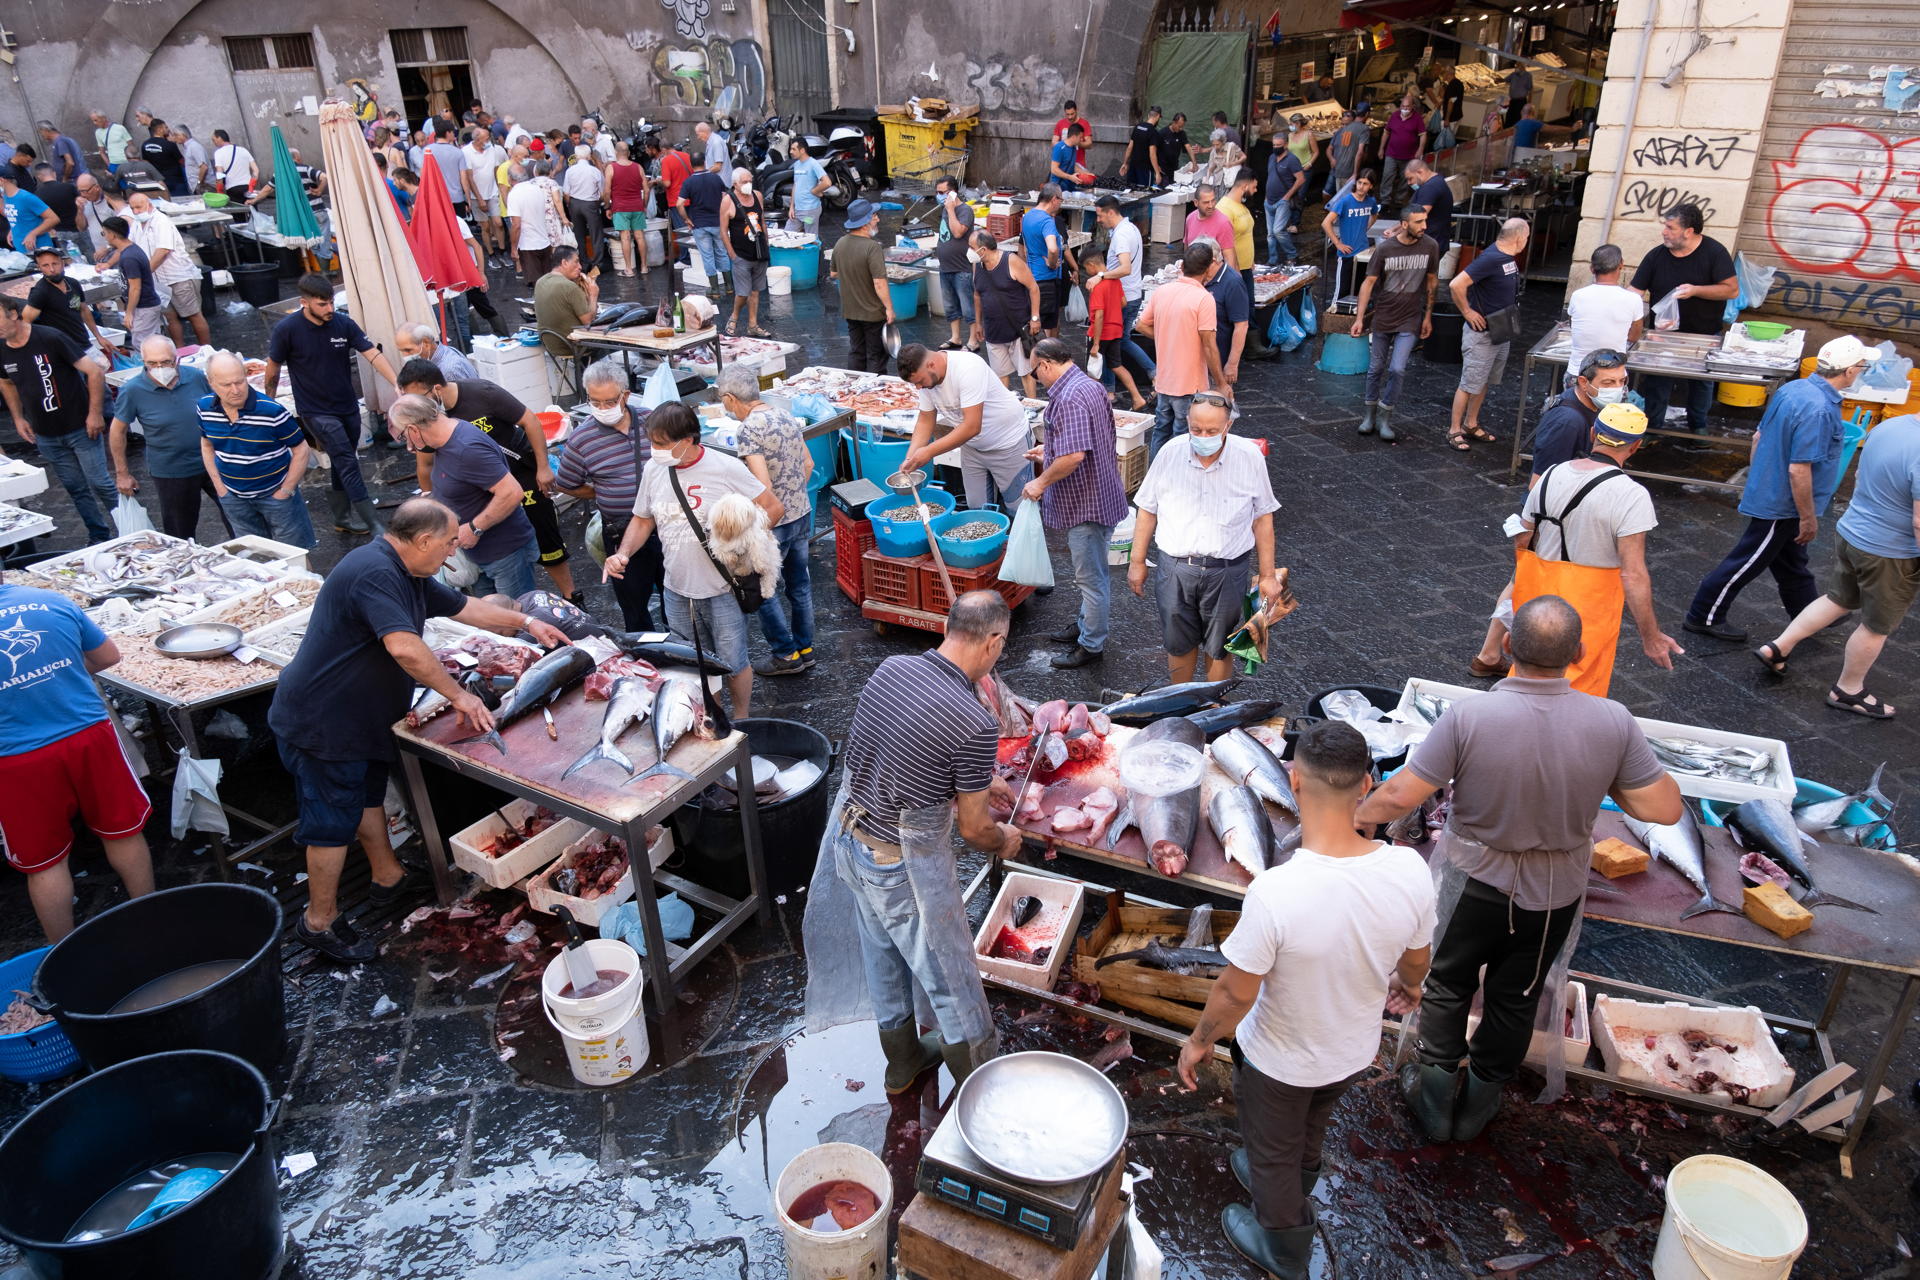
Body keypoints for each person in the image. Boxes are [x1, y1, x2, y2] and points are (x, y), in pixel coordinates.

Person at [1360, 596, 1682, 1144]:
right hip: (1553, 897)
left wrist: (1357, 820)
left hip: (1469, 886)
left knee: (1447, 983)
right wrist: (1604, 775)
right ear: (1579, 653)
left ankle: (1435, 1101)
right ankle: (1480, 1106)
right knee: (1516, 997)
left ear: (1507, 645)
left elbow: (1400, 794)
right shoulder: (1613, 721)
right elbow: (1664, 809)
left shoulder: (1470, 715)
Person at [1178, 720, 1434, 1278]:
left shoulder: (1277, 891)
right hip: (1351, 1054)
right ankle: (1296, 1179)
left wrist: (1199, 1041)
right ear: (1366, 784)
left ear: (1294, 783)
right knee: (1311, 1126)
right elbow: (1417, 961)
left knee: (1270, 1148)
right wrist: (1408, 987)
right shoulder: (1410, 869)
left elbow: (1234, 991)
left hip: (1279, 1060)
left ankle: (1284, 1245)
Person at [270, 498, 570, 959]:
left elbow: (466, 608)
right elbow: (405, 649)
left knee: (367, 797)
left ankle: (387, 875)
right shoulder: (375, 572)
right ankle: (319, 922)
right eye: (449, 543)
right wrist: (460, 695)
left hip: (361, 720)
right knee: (329, 824)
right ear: (423, 540)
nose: (453, 554)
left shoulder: (408, 571)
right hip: (324, 722)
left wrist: (527, 621)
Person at [824, 590, 1025, 1091]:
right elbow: (975, 831)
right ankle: (981, 1089)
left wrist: (977, 782)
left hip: (849, 842)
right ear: (994, 642)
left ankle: (902, 1063)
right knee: (950, 978)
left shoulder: (892, 669)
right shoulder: (974, 720)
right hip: (899, 865)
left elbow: (903, 756)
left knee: (883, 956)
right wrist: (1006, 840)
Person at [0, 572, 156, 943]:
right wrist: (61, 676)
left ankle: (62, 953)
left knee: (45, 862)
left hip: (17, 759)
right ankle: (153, 918)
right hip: (90, 737)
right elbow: (108, 656)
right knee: (122, 831)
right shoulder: (52, 601)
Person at [1686, 336, 1871, 641]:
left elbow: (1759, 438)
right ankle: (1703, 615)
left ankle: (1807, 612)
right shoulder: (1821, 410)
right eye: (1861, 366)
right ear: (1849, 371)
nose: (1861, 371)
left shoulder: (1793, 389)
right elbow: (1799, 470)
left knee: (1792, 561)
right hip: (1784, 503)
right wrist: (1808, 517)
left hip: (1773, 493)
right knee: (1748, 560)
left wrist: (1758, 479)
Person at [604, 402, 782, 718]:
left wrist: (742, 538)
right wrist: (623, 553)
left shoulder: (725, 468)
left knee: (733, 661)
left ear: (687, 439)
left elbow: (772, 508)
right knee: (694, 662)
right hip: (675, 589)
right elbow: (643, 520)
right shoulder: (654, 469)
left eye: (661, 443)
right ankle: (711, 717)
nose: (654, 450)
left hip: (723, 587)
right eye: (652, 443)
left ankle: (742, 721)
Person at [1754, 411, 1920, 718]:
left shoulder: (1889, 427)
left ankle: (1778, 647)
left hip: (1852, 532)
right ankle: (1849, 689)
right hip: (1890, 552)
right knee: (1876, 626)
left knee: (1838, 599)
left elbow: (1859, 476)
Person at [1511, 404, 1684, 696]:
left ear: (1593, 433)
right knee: (1578, 690)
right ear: (1636, 446)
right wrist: (1650, 636)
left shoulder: (1552, 474)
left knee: (1526, 678)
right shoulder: (1631, 496)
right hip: (1590, 610)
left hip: (1538, 601)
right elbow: (1633, 574)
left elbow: (1523, 537)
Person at [1129, 395, 1282, 683]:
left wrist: (1267, 575)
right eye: (1196, 430)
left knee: (1220, 647)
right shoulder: (1170, 452)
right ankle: (1181, 705)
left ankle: (1215, 708)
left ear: (1228, 426)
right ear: (1187, 422)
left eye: (1212, 431)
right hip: (1175, 567)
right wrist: (1137, 561)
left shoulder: (1249, 457)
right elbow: (1148, 509)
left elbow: (1263, 517)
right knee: (1177, 643)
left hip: (1227, 570)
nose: (1203, 437)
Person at [398, 360, 575, 602]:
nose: (417, 407)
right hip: (478, 499)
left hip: (521, 473)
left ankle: (571, 596)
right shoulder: (430, 423)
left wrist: (543, 467)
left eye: (420, 398)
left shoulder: (482, 394)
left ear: (436, 390)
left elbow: (530, 421)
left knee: (545, 538)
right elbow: (425, 465)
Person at [263, 272, 398, 536]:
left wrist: (396, 382)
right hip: (315, 411)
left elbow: (371, 353)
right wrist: (268, 404)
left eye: (331, 303)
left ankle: (342, 517)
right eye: (322, 304)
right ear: (305, 302)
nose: (329, 309)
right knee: (348, 461)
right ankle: (374, 525)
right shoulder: (287, 329)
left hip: (346, 406)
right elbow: (272, 369)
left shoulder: (343, 324)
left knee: (341, 460)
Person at [1023, 338, 1129, 668]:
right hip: (1102, 492)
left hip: (1087, 502)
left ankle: (1091, 644)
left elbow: (1074, 456)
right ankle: (1085, 625)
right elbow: (1086, 441)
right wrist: (1048, 451)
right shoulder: (1089, 385)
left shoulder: (1068, 398)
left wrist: (1040, 481)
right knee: (1092, 572)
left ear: (1045, 364)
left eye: (1034, 370)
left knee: (1091, 578)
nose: (1035, 378)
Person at [717, 365, 816, 676]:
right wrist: (795, 495)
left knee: (763, 588)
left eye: (722, 400)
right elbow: (808, 463)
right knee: (800, 586)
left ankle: (785, 654)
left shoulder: (748, 430)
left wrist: (761, 520)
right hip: (801, 512)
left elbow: (763, 487)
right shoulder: (786, 415)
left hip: (773, 522)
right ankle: (806, 648)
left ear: (731, 399)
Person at [557, 360, 665, 630]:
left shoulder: (651, 421)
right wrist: (600, 492)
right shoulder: (581, 440)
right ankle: (648, 661)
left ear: (625, 396)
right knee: (634, 605)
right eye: (595, 402)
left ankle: (686, 650)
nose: (602, 409)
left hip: (666, 524)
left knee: (677, 597)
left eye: (609, 402)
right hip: (620, 528)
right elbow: (567, 483)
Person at [0, 296, 112, 542]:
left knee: (100, 483)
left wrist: (95, 414)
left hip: (81, 427)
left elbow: (94, 372)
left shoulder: (50, 337)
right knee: (76, 488)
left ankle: (130, 527)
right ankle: (99, 536)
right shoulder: (1, 349)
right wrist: (18, 418)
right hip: (46, 435)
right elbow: (6, 382)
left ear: (13, 314)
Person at [1631, 203, 1737, 433]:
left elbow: (1731, 290)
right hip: (1662, 336)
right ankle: (1652, 428)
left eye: (1670, 227)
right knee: (1658, 382)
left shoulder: (1715, 253)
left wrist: (1696, 290)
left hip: (1703, 334)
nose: (1664, 232)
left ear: (1689, 231)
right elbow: (1634, 292)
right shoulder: (1656, 256)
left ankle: (1698, 427)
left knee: (1701, 384)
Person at [109, 337, 226, 541]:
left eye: (165, 362)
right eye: (152, 363)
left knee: (236, 515)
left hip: (213, 463)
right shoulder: (133, 390)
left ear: (176, 359)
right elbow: (117, 431)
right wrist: (122, 474)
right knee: (180, 532)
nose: (159, 368)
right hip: (171, 471)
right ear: (143, 362)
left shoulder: (196, 377)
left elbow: (219, 409)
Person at [196, 351, 315, 549]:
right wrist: (220, 488)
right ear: (211, 383)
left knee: (295, 555)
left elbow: (301, 450)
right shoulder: (204, 408)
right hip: (234, 498)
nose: (235, 390)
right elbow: (206, 445)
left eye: (240, 381)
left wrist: (285, 491)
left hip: (276, 496)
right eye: (226, 385)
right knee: (255, 555)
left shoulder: (271, 411)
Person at [898, 343, 1034, 512]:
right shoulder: (927, 380)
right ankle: (995, 539)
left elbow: (972, 426)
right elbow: (925, 420)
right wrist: (911, 457)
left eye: (919, 382)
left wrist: (928, 452)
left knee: (1020, 509)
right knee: (978, 512)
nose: (918, 388)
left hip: (1008, 442)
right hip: (972, 448)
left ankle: (1018, 538)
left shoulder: (968, 368)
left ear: (931, 364)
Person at [1350, 205, 1440, 443]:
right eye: (1419, 222)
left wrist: (1428, 316)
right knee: (1375, 368)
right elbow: (1368, 283)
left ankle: (1385, 416)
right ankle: (1369, 415)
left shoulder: (1430, 246)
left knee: (1397, 368)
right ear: (1404, 224)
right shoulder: (1386, 249)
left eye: (1425, 221)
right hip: (1384, 315)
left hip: (1410, 317)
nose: (1424, 226)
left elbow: (1432, 281)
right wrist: (1359, 318)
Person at [1135, 241, 1229, 458]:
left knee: (1161, 430)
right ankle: (1177, 479)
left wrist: (1165, 335)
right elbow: (1209, 344)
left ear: (1183, 266)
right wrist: (1221, 383)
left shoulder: (1163, 291)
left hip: (1165, 379)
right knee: (1182, 434)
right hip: (1189, 382)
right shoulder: (1204, 299)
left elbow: (1141, 325)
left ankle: (1154, 477)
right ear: (1207, 270)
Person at [1447, 217, 1530, 451]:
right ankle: (1455, 430)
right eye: (1526, 237)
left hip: (1500, 330)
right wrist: (1467, 312)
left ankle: (1471, 423)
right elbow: (1456, 284)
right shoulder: (1492, 258)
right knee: (1469, 382)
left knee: (1483, 380)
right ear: (1519, 238)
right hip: (1482, 334)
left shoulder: (1506, 258)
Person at [1087, 194, 1155, 395]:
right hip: (1129, 294)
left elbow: (1125, 268)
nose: (1098, 220)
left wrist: (1101, 275)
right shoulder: (1130, 228)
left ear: (1110, 212)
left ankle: (1151, 373)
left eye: (1100, 215)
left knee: (1113, 342)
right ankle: (1111, 390)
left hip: (1125, 296)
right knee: (1117, 341)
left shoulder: (1122, 235)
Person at [124, 192, 210, 348]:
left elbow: (163, 251)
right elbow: (129, 245)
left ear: (149, 205)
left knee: (193, 315)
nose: (136, 211)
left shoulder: (161, 221)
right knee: (169, 317)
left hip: (179, 277)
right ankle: (178, 351)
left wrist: (144, 274)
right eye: (132, 208)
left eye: (139, 207)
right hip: (158, 282)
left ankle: (207, 349)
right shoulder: (136, 224)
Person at [1530, 348, 1629, 477]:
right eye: (1608, 382)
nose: (1617, 388)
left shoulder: (1595, 403)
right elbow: (1539, 481)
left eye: (1622, 381)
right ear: (1583, 382)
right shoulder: (1566, 422)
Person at [969, 229, 1041, 395]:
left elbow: (1033, 288)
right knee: (1000, 375)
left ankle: (1033, 406)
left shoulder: (1011, 261)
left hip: (1017, 329)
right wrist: (978, 323)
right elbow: (977, 294)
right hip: (993, 331)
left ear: (983, 249)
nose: (969, 251)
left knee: (1027, 372)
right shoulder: (976, 264)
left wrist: (1035, 317)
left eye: (971, 247)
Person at [1565, 244, 1645, 387]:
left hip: (1577, 374)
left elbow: (1573, 325)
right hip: (1613, 378)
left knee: (1573, 409)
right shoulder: (1633, 299)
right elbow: (1634, 336)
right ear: (1621, 264)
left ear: (1592, 268)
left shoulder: (1577, 296)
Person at [22, 246, 118, 361]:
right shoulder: (40, 292)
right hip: (61, 349)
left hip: (83, 342)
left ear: (62, 263)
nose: (52, 269)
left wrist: (99, 337)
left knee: (102, 369)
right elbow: (25, 322)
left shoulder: (73, 283)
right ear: (39, 268)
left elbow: (84, 310)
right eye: (45, 266)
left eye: (55, 264)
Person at [831, 199, 893, 374]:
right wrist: (889, 308)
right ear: (865, 223)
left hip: (851, 310)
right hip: (873, 313)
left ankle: (854, 390)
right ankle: (875, 392)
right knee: (876, 355)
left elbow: (834, 273)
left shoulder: (840, 243)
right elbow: (879, 283)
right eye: (874, 216)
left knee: (857, 351)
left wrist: (852, 270)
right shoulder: (872, 247)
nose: (878, 219)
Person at [1081, 244, 1145, 408]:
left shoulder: (1097, 286)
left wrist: (1095, 343)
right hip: (1116, 331)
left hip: (1100, 334)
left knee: (1093, 369)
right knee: (1116, 365)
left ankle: (1091, 404)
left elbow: (1099, 314)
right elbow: (1123, 302)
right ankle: (1137, 397)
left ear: (1091, 265)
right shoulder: (1115, 280)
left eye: (1085, 268)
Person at [95, 215, 165, 349]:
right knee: (148, 342)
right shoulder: (129, 250)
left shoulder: (129, 257)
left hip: (144, 308)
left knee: (143, 346)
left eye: (104, 233)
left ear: (112, 234)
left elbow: (135, 288)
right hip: (145, 306)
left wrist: (129, 313)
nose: (104, 237)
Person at [719, 168, 772, 336]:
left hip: (759, 252)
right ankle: (734, 317)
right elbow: (723, 230)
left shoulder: (757, 195)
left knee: (756, 291)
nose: (748, 184)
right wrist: (732, 254)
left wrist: (766, 242)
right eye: (744, 182)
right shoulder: (728, 201)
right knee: (743, 293)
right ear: (735, 184)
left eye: (750, 181)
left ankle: (752, 325)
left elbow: (762, 220)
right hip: (740, 254)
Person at [932, 175, 977, 351]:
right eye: (937, 192)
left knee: (968, 307)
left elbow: (958, 233)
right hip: (946, 266)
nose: (939, 196)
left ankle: (973, 339)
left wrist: (951, 210)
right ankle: (956, 337)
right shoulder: (945, 209)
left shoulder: (965, 211)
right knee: (950, 306)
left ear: (953, 193)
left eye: (942, 192)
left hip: (962, 267)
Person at [1201, 236, 1251, 395]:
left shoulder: (1232, 282)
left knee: (1217, 409)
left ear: (1214, 260)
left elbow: (1241, 325)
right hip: (1199, 360)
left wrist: (1232, 364)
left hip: (1218, 360)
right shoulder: (1200, 277)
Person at [533, 245, 598, 363]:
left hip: (551, 344)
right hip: (572, 346)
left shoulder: (540, 281)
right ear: (564, 262)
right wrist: (593, 295)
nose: (580, 267)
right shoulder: (570, 287)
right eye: (576, 262)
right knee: (615, 343)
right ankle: (594, 378)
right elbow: (588, 321)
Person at [1021, 185, 1071, 338]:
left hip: (1033, 277)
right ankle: (1045, 358)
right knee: (1045, 326)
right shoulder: (1047, 221)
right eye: (1061, 199)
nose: (1061, 203)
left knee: (1034, 324)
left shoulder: (1027, 217)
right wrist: (1052, 262)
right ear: (1054, 199)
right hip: (1047, 281)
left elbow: (1023, 246)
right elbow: (1053, 248)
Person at [1320, 169, 1379, 299]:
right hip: (1347, 252)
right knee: (1342, 291)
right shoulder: (1345, 201)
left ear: (1371, 186)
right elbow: (1326, 223)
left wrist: (1364, 228)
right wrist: (1337, 243)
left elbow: (1374, 215)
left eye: (1365, 184)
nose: (1361, 186)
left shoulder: (1371, 201)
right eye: (1359, 182)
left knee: (1358, 289)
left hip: (1363, 251)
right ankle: (1335, 316)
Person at [506, 161, 564, 285]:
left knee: (537, 285)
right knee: (548, 281)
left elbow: (516, 225)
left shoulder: (514, 194)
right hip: (544, 241)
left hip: (528, 245)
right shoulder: (536, 189)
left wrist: (513, 248)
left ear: (510, 179)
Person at [677, 160, 731, 287]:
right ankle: (729, 286)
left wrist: (686, 219)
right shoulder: (716, 178)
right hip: (718, 223)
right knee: (722, 253)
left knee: (707, 256)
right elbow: (725, 197)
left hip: (699, 224)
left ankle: (714, 289)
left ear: (691, 165)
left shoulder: (688, 182)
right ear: (705, 163)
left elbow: (679, 203)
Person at [464, 129, 509, 265]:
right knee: (485, 227)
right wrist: (479, 199)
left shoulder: (491, 150)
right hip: (476, 196)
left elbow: (496, 170)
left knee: (498, 223)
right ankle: (491, 254)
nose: (489, 140)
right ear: (477, 140)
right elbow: (470, 178)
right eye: (486, 138)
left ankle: (502, 252)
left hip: (493, 191)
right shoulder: (466, 152)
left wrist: (500, 189)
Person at [607, 141, 650, 276]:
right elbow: (647, 190)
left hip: (620, 207)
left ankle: (629, 269)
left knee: (625, 237)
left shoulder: (611, 168)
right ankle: (644, 267)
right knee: (640, 236)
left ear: (616, 153)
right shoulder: (638, 167)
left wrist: (608, 206)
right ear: (629, 153)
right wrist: (644, 205)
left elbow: (606, 191)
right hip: (637, 206)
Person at [651, 137, 695, 266]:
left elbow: (667, 182)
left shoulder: (666, 160)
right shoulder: (686, 156)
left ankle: (685, 259)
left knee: (681, 229)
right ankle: (694, 257)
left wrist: (657, 181)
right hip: (690, 197)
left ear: (664, 149)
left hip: (676, 199)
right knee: (692, 227)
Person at [1265, 133, 1307, 266]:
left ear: (1286, 145)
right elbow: (1270, 176)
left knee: (1278, 231)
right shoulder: (1271, 157)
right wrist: (1266, 196)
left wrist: (1287, 196)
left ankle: (1292, 255)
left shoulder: (1292, 159)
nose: (1276, 147)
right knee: (1270, 234)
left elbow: (1301, 179)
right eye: (1274, 145)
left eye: (1279, 145)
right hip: (1269, 201)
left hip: (1282, 201)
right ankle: (1272, 259)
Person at [1402, 157, 1455, 259]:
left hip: (1429, 243)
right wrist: (1394, 229)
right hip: (1432, 242)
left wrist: (1398, 235)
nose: (1409, 183)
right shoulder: (1434, 182)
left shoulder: (1431, 187)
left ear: (1420, 172)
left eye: (1410, 178)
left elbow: (1416, 217)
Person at [561, 150, 606, 267]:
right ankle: (597, 263)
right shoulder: (594, 171)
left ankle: (583, 262)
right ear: (589, 156)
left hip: (574, 203)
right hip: (590, 203)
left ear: (576, 156)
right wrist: (599, 202)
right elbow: (602, 192)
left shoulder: (570, 171)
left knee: (579, 234)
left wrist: (569, 204)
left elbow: (566, 192)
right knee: (595, 233)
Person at [1219, 173, 1260, 299]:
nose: (1255, 191)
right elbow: (1225, 243)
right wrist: (1235, 272)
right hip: (1236, 271)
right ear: (1244, 187)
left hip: (1246, 268)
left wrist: (1250, 260)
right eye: (1253, 187)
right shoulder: (1224, 208)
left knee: (1249, 310)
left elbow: (1245, 234)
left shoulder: (1241, 206)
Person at [396, 321, 478, 383]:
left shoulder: (449, 371)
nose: (404, 355)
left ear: (426, 343)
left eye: (408, 350)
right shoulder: (442, 353)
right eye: (402, 351)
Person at [1380, 92, 1425, 202]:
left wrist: (1420, 149)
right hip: (1391, 153)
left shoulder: (1417, 119)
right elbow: (1386, 132)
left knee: (1405, 179)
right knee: (1387, 177)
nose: (1405, 109)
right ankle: (1384, 200)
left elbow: (1423, 135)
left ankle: (1399, 200)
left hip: (1409, 156)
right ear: (1400, 106)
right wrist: (1381, 148)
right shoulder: (1394, 116)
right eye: (1403, 106)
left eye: (1407, 107)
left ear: (1412, 107)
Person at [0, 166, 56, 254]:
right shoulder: (6, 197)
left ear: (2, 180)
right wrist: (13, 230)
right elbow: (18, 217)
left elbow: (53, 218)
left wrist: (33, 234)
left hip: (40, 249)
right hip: (22, 250)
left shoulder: (25, 197)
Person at [1184, 183, 1238, 272]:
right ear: (1196, 202)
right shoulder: (1190, 218)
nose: (1211, 205)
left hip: (1214, 277)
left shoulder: (1223, 222)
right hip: (1194, 275)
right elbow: (1187, 248)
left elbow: (1229, 257)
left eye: (1213, 201)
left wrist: (1228, 282)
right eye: (1206, 202)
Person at [785, 136, 829, 235]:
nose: (791, 151)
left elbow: (827, 182)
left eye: (793, 149)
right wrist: (791, 207)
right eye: (790, 149)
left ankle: (816, 251)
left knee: (811, 238)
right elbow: (795, 185)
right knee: (787, 234)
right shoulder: (796, 164)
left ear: (802, 150)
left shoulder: (813, 164)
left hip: (810, 211)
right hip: (797, 211)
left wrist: (815, 191)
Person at [138, 120, 188, 198]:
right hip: (175, 181)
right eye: (166, 127)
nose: (168, 129)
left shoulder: (145, 144)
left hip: (157, 181)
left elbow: (145, 163)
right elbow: (182, 161)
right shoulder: (170, 145)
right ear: (160, 129)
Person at [1326, 110, 1369, 198]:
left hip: (1347, 171)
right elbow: (1329, 149)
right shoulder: (1338, 132)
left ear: (1353, 119)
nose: (1344, 117)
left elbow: (1361, 153)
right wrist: (1331, 159)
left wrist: (1355, 172)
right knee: (1329, 193)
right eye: (1343, 115)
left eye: (1348, 115)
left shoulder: (1358, 130)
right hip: (1337, 169)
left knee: (1343, 195)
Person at [209, 129, 258, 196]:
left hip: (232, 189)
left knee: (239, 206)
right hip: (248, 187)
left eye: (213, 140)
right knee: (251, 206)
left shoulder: (218, 153)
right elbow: (256, 170)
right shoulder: (243, 150)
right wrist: (251, 187)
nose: (213, 143)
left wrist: (220, 192)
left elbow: (219, 175)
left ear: (219, 138)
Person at [1124, 106, 1164, 186]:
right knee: (1145, 194)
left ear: (1149, 115)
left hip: (1133, 166)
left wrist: (1125, 163)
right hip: (1145, 170)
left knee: (1130, 192)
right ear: (1158, 117)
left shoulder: (1138, 127)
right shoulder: (1153, 132)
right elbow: (1152, 154)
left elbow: (1130, 147)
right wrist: (1157, 173)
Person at [1048, 124, 1095, 189]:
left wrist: (1087, 174)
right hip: (1057, 187)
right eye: (1080, 137)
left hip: (1069, 186)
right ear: (1073, 137)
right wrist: (1070, 177)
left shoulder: (1074, 147)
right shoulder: (1059, 147)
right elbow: (1054, 169)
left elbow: (1072, 165)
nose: (1082, 140)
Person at [172, 126, 210, 192]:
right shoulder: (188, 147)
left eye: (176, 135)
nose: (174, 138)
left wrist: (198, 184)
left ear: (183, 135)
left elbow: (204, 167)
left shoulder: (194, 146)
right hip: (198, 187)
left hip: (204, 187)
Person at [1158, 112, 1191, 180]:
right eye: (1179, 126)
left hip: (1174, 166)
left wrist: (1194, 163)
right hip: (1162, 167)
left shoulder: (1182, 133)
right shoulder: (1162, 133)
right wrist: (1156, 167)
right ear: (1174, 122)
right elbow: (1153, 150)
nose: (1180, 129)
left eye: (1182, 127)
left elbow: (1188, 148)